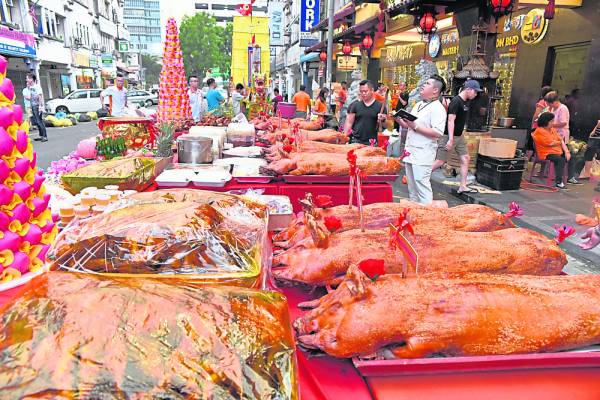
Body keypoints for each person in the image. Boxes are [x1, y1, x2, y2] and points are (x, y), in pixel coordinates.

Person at [396, 75, 447, 204]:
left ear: (435, 90)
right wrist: (399, 120)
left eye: (427, 83)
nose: (423, 85)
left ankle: (427, 216)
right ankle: (414, 214)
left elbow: (437, 132)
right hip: (411, 150)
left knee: (421, 184)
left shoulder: (438, 108)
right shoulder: (418, 104)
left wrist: (416, 126)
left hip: (423, 153)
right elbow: (409, 126)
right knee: (412, 187)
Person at [432, 79, 482, 193]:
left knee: (465, 158)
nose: (476, 94)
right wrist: (450, 139)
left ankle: (463, 186)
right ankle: (419, 178)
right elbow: (450, 120)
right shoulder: (456, 101)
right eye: (475, 91)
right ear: (468, 89)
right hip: (449, 136)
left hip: (459, 136)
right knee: (440, 161)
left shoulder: (465, 102)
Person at [531, 112, 581, 188]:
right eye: (551, 121)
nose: (553, 123)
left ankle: (570, 178)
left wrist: (567, 151)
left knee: (572, 156)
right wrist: (559, 142)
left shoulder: (552, 130)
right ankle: (559, 182)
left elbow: (561, 141)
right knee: (560, 160)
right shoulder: (539, 131)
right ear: (546, 122)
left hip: (557, 152)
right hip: (546, 154)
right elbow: (550, 143)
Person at [343, 80, 387, 145]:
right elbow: (349, 123)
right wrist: (344, 138)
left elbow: (386, 125)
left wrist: (382, 120)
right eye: (361, 92)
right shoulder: (355, 105)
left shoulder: (380, 106)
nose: (363, 93)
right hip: (355, 140)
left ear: (372, 90)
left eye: (365, 91)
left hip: (371, 142)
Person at [24, 73, 48, 142]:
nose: (26, 80)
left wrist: (41, 106)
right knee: (37, 121)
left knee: (39, 121)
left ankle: (44, 136)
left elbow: (40, 96)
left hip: (37, 106)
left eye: (27, 78)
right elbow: (30, 97)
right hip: (33, 106)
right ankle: (41, 136)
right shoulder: (31, 87)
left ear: (31, 79)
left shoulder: (37, 87)